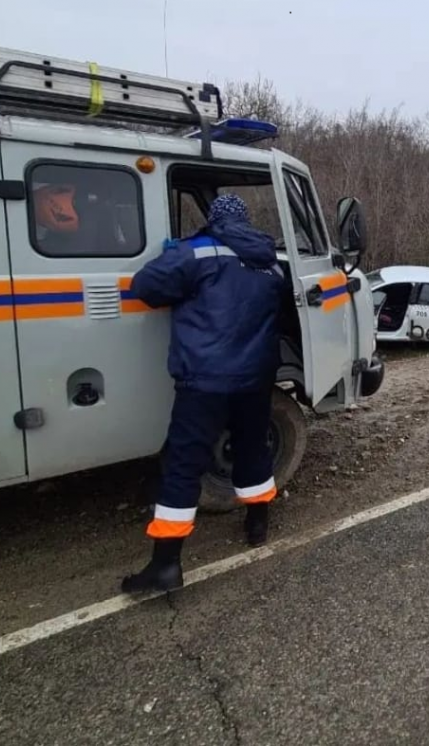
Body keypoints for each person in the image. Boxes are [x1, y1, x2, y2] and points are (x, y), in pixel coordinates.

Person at [122, 193, 288, 594]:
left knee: (183, 466)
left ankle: (165, 564)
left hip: (205, 381)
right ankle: (257, 523)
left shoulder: (195, 253)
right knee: (252, 448)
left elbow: (144, 287)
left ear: (214, 220)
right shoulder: (271, 263)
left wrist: (172, 258)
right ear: (245, 220)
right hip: (255, 379)